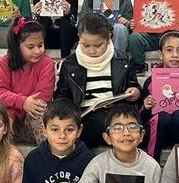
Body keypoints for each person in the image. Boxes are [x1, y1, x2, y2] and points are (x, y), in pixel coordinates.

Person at [54, 12, 140, 149]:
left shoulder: (123, 60)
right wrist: (70, 112)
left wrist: (135, 93)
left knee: (137, 127)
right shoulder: (70, 64)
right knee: (97, 124)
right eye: (86, 45)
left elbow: (134, 88)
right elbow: (62, 96)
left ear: (108, 38)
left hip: (118, 112)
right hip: (86, 114)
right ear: (79, 37)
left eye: (98, 45)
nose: (92, 51)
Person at [0, 17, 55, 143]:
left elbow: (42, 97)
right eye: (30, 47)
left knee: (41, 112)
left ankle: (48, 152)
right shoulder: (5, 62)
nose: (37, 51)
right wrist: (22, 103)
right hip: (10, 119)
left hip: (32, 119)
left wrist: (25, 105)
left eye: (40, 45)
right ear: (17, 46)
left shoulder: (47, 63)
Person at [140, 31, 179, 161]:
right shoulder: (150, 81)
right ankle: (152, 162)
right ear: (160, 54)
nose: (175, 55)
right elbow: (142, 116)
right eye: (169, 50)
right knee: (162, 116)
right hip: (158, 130)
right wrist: (146, 106)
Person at [127, 0, 175, 73]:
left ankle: (175, 67)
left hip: (168, 36)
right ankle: (139, 65)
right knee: (134, 37)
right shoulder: (139, 0)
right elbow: (136, 22)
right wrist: (132, 25)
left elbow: (177, 22)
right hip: (148, 37)